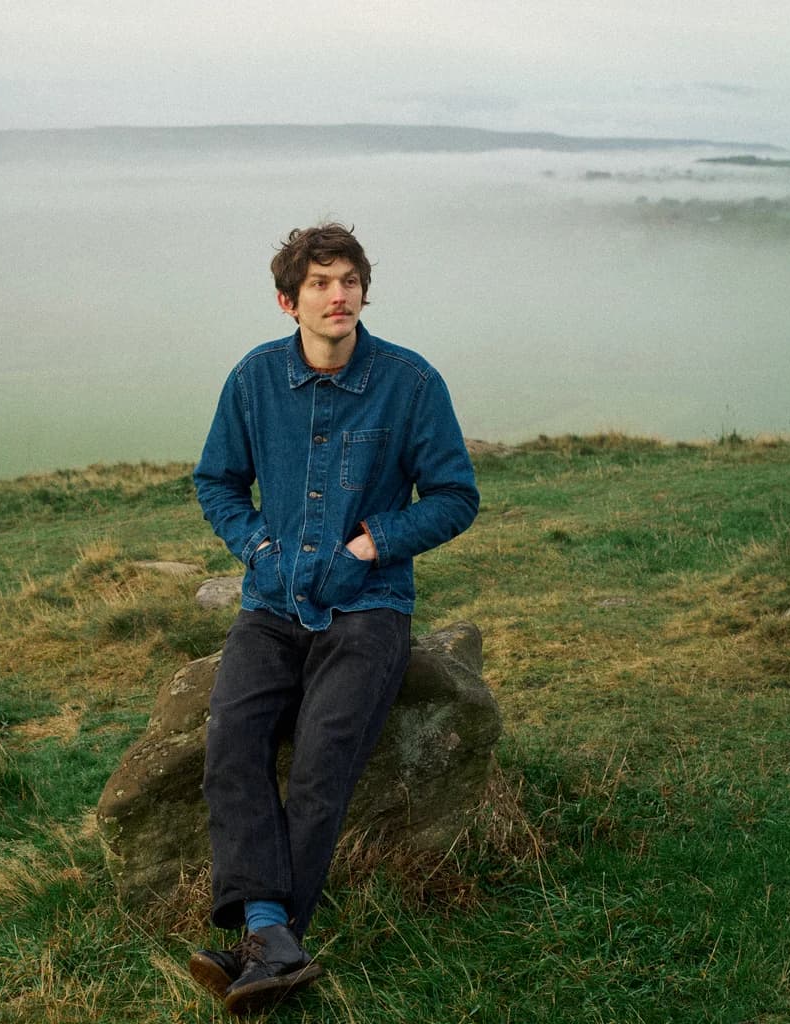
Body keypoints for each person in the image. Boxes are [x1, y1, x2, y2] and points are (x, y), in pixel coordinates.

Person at [189, 223, 479, 1015]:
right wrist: (257, 546)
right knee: (233, 742)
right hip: (272, 603)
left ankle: (263, 941)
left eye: (349, 279)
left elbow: (456, 496)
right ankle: (272, 936)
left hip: (369, 606)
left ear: (363, 291)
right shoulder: (253, 380)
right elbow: (216, 481)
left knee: (323, 758)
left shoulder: (410, 382)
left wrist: (372, 542)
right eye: (319, 283)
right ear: (289, 301)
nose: (338, 294)